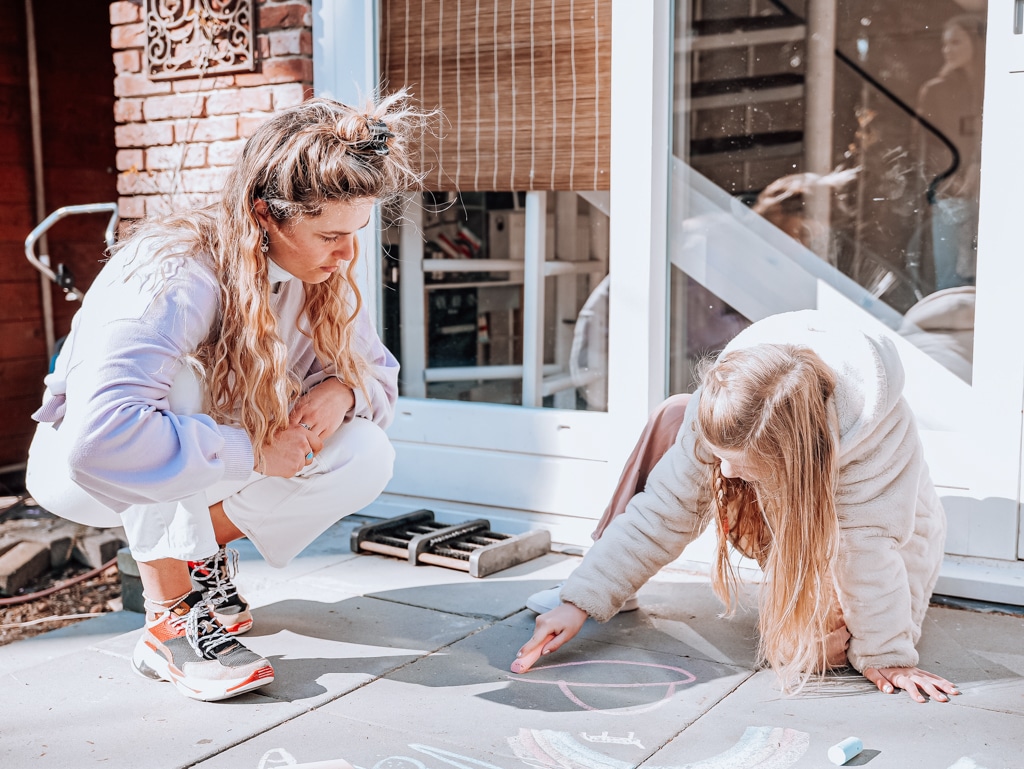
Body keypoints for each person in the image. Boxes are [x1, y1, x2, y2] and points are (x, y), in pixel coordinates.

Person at [25, 93, 422, 701]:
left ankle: (194, 555)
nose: (348, 256)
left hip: (209, 458)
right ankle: (169, 620)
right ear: (266, 214)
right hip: (88, 470)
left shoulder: (319, 272)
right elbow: (101, 438)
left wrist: (341, 392)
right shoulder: (174, 271)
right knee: (183, 382)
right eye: (331, 236)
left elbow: (379, 375)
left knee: (365, 450)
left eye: (356, 233)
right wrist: (257, 453)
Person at [518, 309, 959, 703]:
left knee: (815, 652)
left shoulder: (878, 440)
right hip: (789, 500)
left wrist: (886, 653)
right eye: (723, 457)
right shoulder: (727, 399)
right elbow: (662, 512)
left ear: (796, 456)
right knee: (674, 413)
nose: (725, 474)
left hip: (884, 540)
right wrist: (579, 601)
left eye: (741, 463)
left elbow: (868, 551)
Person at [914, 14, 985, 292]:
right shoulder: (936, 90)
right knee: (952, 282)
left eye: (956, 42)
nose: (948, 50)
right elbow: (923, 146)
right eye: (944, 44)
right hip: (951, 193)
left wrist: (978, 165)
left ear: (976, 43)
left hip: (988, 192)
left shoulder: (995, 84)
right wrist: (947, 178)